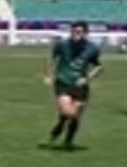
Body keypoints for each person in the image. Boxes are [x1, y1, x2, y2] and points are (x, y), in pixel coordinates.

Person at [43, 21, 103, 150]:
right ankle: (61, 122)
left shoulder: (92, 48)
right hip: (63, 82)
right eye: (74, 31)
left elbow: (98, 66)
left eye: (80, 32)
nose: (77, 34)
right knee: (68, 112)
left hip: (80, 86)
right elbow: (52, 59)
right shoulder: (62, 45)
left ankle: (68, 140)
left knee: (75, 116)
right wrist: (49, 75)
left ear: (86, 33)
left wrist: (87, 78)